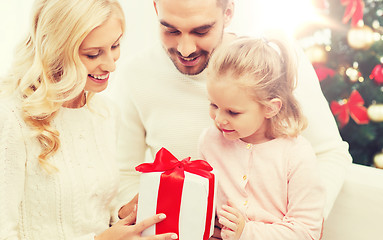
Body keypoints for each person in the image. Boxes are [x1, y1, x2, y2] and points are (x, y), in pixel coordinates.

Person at [112, 0, 351, 226]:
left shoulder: (272, 65)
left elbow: (330, 153)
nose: (185, 49)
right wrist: (141, 215)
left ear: (228, 13)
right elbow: (124, 173)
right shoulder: (135, 76)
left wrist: (291, 228)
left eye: (201, 31)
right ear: (156, 9)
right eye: (171, 31)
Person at [0, 0, 177, 239]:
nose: (111, 65)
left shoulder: (105, 113)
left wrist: (126, 213)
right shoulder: (10, 117)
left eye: (115, 45)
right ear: (56, 50)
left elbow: (93, 210)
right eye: (93, 54)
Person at [198, 36, 325, 240]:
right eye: (214, 106)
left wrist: (246, 232)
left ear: (270, 108)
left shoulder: (296, 155)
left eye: (233, 112)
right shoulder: (210, 141)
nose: (219, 120)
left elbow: (308, 232)